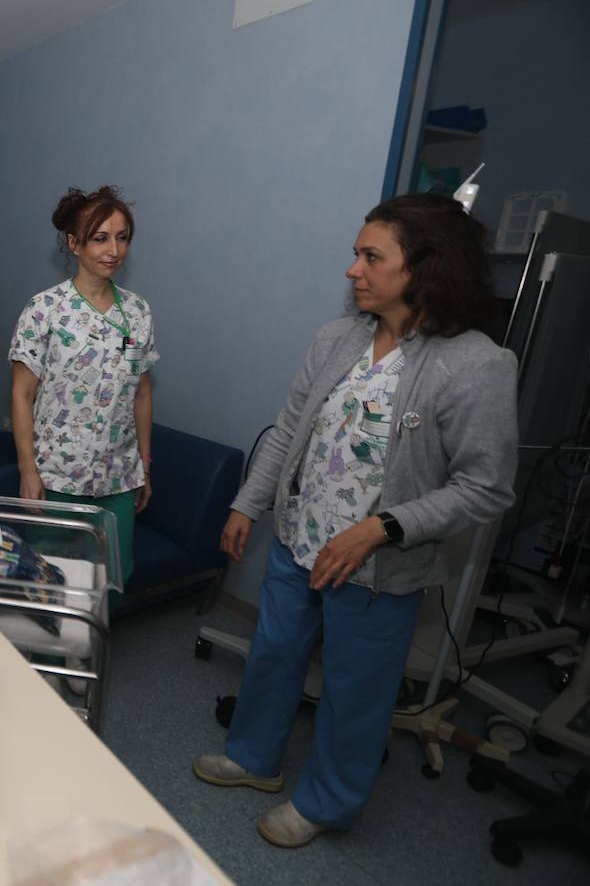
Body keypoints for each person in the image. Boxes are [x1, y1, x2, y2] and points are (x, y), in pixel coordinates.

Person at [193, 193, 519, 847]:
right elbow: (289, 431)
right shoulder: (337, 338)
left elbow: (485, 489)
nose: (353, 270)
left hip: (376, 565)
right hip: (299, 539)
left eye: (371, 257)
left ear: (425, 267)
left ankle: (326, 803)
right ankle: (254, 758)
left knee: (355, 691)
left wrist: (380, 528)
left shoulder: (477, 365)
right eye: (355, 254)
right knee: (273, 655)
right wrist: (248, 502)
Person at [8, 185, 156, 579]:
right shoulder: (44, 310)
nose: (114, 250)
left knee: (110, 578)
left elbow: (141, 392)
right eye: (100, 238)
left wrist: (144, 464)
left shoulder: (137, 313)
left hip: (119, 477)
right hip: (57, 474)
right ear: (74, 244)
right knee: (52, 579)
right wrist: (28, 471)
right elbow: (22, 395)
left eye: (122, 238)